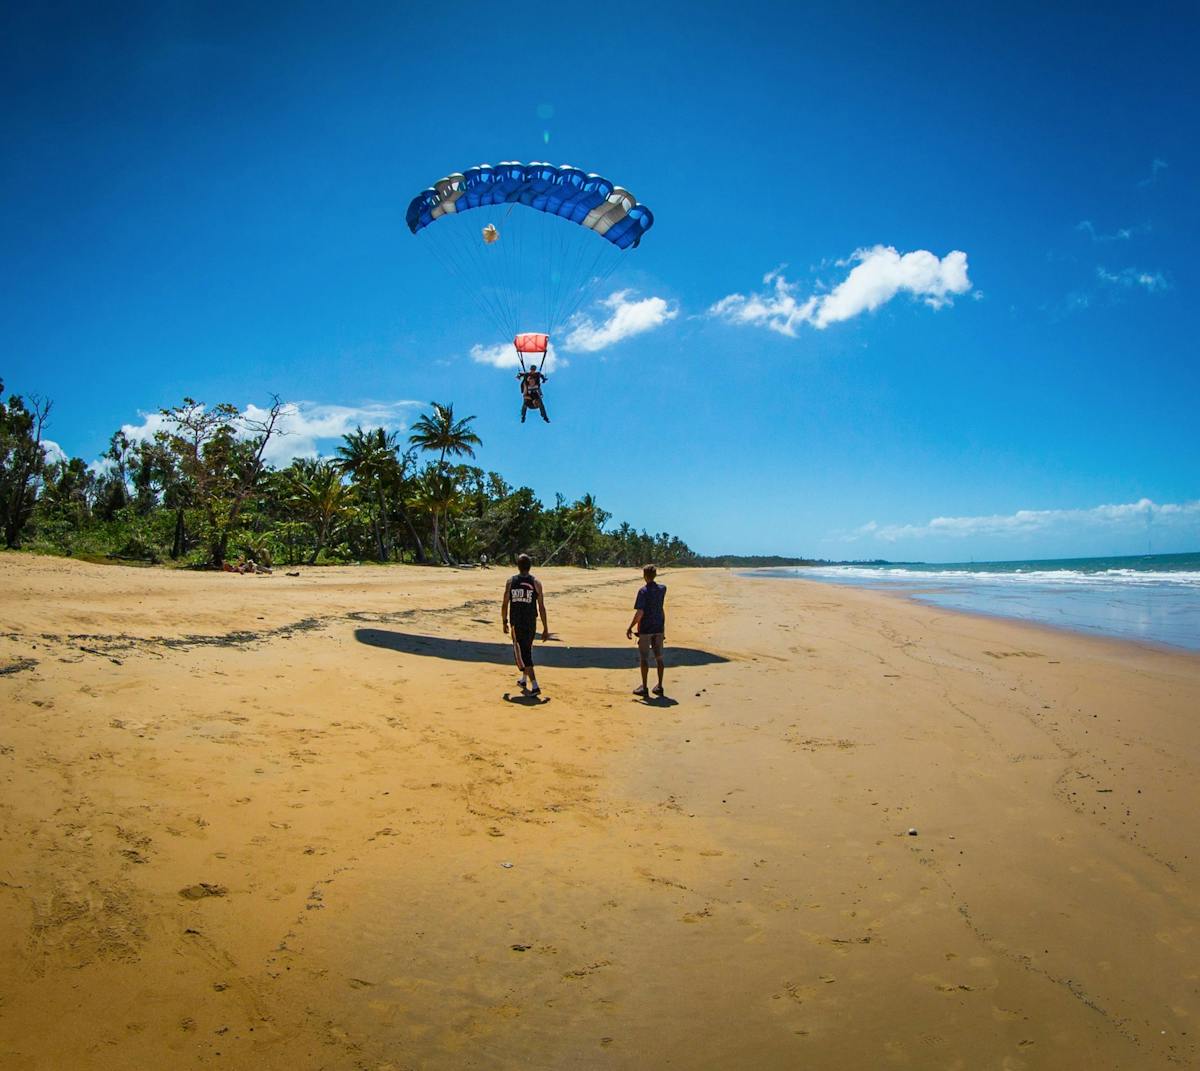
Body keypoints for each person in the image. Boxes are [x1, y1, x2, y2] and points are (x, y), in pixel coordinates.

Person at [502, 553, 549, 695]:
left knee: (522, 653)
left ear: (518, 566)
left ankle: (535, 686)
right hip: (531, 623)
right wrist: (546, 628)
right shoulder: (536, 583)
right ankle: (524, 679)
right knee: (525, 650)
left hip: (517, 623)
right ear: (530, 566)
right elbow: (541, 606)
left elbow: (505, 604)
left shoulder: (511, 582)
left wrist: (504, 621)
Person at [626, 564, 666, 697]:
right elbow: (660, 606)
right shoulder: (662, 589)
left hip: (646, 628)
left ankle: (644, 687)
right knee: (659, 657)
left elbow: (640, 612)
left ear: (644, 576)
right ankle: (659, 685)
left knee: (644, 658)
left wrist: (630, 627)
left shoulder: (643, 591)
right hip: (659, 626)